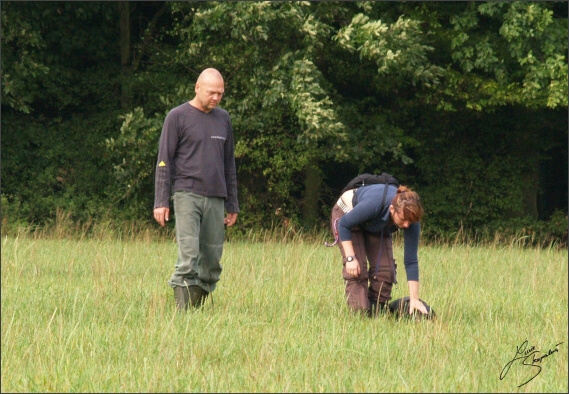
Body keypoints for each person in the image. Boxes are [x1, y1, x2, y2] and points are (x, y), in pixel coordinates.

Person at [153, 68, 239, 311]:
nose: (216, 98)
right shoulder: (177, 116)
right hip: (186, 194)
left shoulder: (223, 119)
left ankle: (195, 309)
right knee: (189, 257)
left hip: (216, 197)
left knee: (211, 262)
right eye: (212, 92)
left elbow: (229, 163)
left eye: (220, 94)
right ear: (197, 88)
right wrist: (161, 200)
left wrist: (232, 204)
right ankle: (183, 314)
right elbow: (163, 160)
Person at [328, 181, 428, 317]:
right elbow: (344, 224)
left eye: (410, 222)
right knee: (357, 270)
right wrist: (350, 258)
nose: (406, 225)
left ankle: (376, 314)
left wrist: (414, 299)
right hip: (347, 215)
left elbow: (410, 261)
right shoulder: (374, 204)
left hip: (375, 222)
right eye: (404, 220)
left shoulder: (411, 219)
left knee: (385, 271)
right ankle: (360, 315)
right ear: (392, 209)